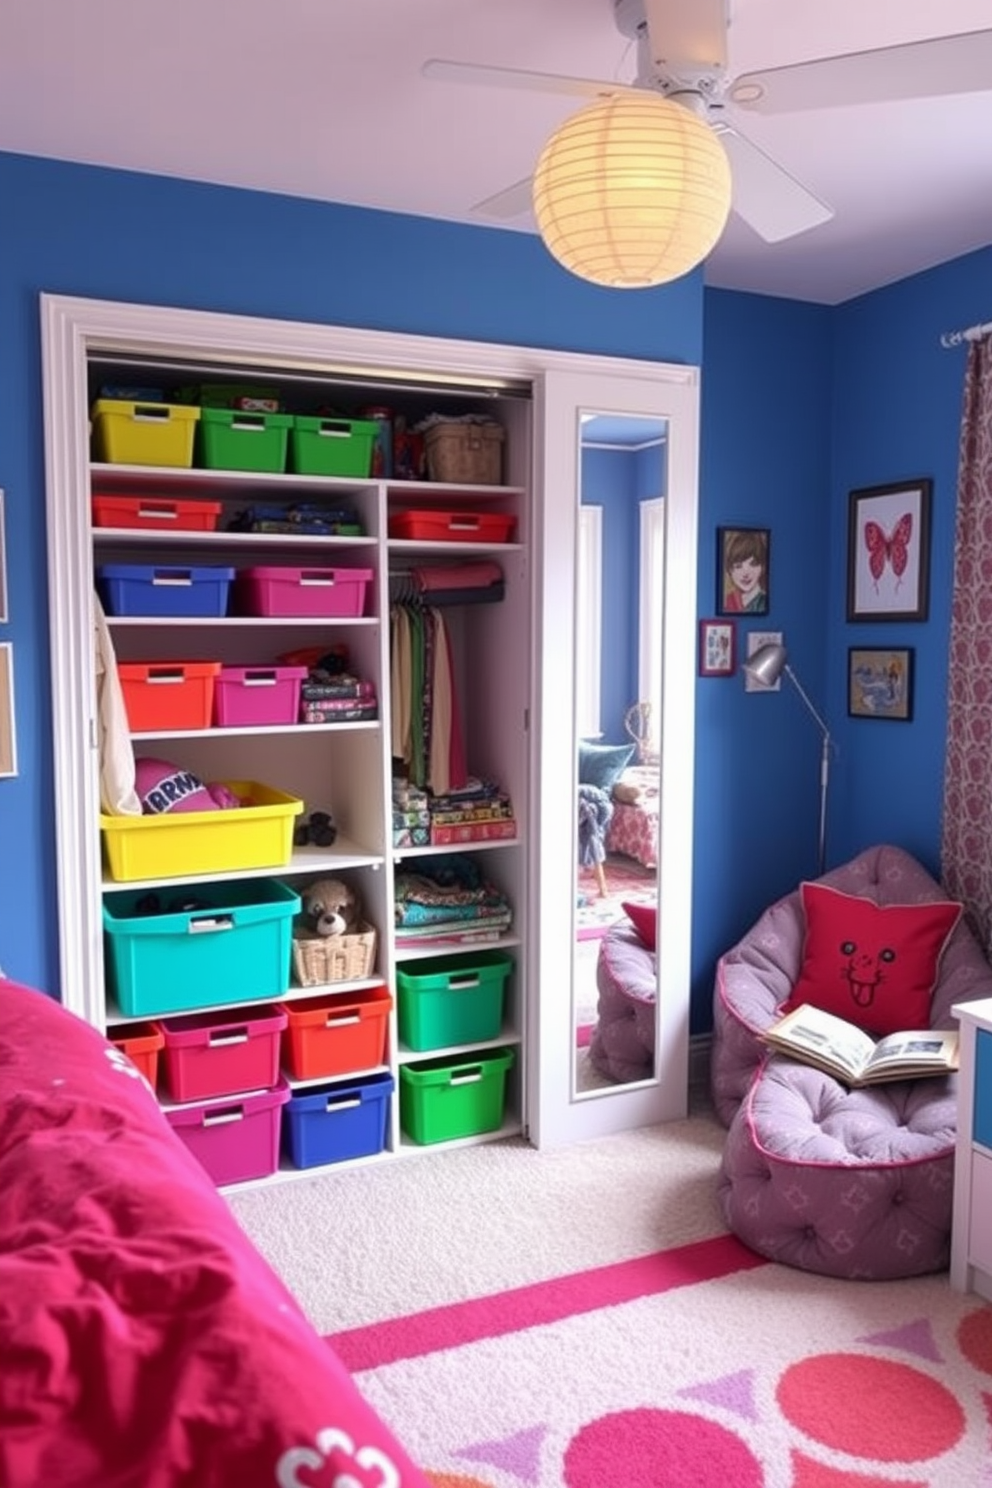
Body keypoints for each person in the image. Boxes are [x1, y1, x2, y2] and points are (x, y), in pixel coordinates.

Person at [723, 529, 768, 613]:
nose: (746, 573)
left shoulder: (763, 603)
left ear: (762, 567)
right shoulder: (728, 602)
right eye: (738, 566)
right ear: (729, 570)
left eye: (753, 564)